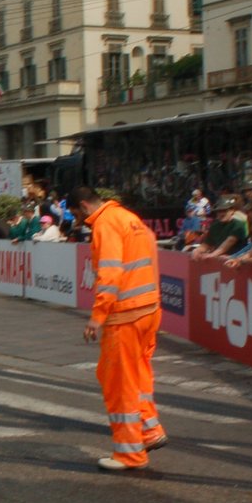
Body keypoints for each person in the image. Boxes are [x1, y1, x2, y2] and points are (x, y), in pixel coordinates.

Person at [72, 186, 166, 472]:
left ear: (84, 206)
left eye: (76, 214)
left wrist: (97, 317)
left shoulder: (105, 224)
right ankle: (149, 430)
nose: (76, 220)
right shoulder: (129, 218)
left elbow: (110, 274)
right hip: (149, 309)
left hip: (125, 315)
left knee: (119, 382)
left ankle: (129, 453)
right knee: (138, 375)